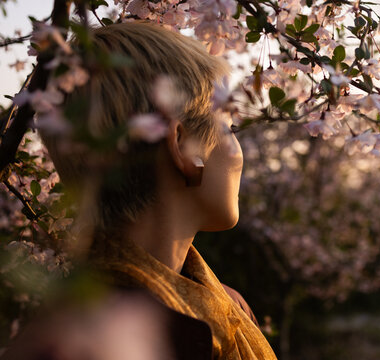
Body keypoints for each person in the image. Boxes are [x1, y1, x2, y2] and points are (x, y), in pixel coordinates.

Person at [2, 21, 276, 359]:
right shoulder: (81, 344)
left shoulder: (225, 307)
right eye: (229, 126)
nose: (238, 146)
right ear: (182, 146)